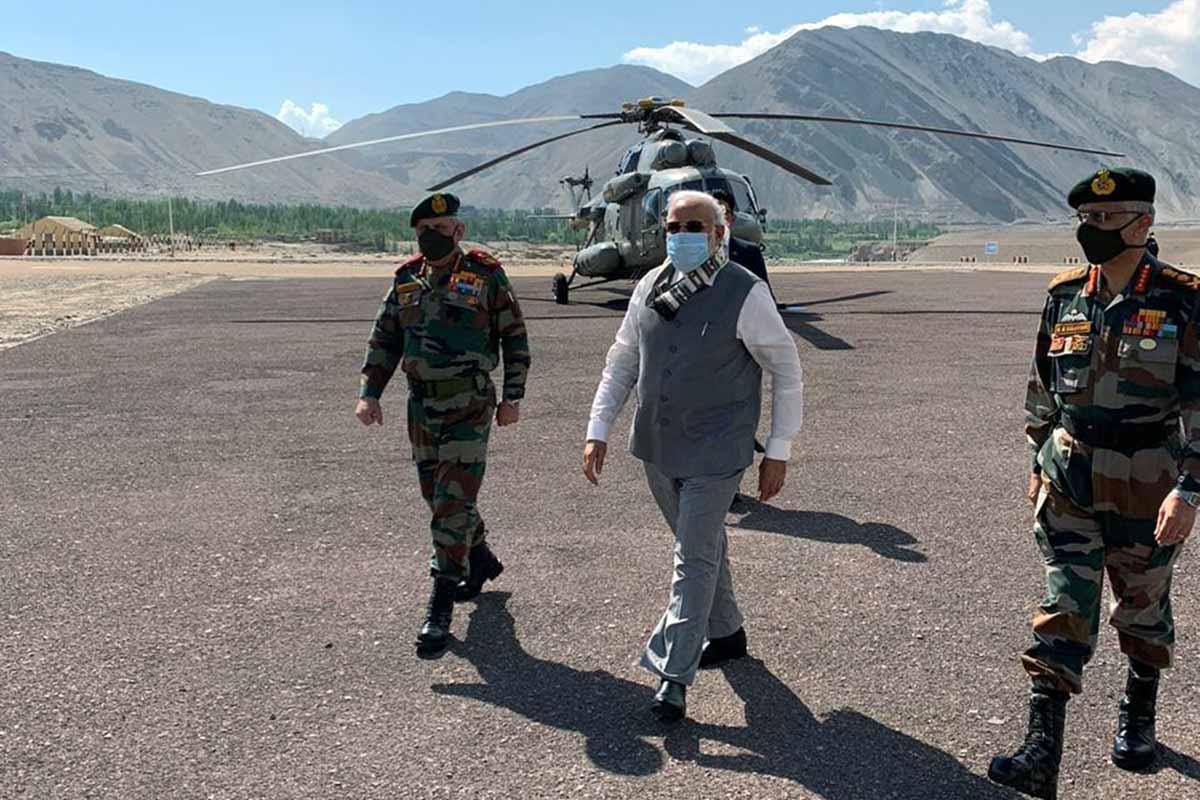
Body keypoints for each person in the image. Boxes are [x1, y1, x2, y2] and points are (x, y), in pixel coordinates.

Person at [989, 167, 1200, 799]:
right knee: (1063, 608)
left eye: (1109, 220)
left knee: (1142, 608)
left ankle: (1138, 715)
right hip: (1071, 478)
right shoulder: (1064, 295)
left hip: (1148, 485)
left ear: (1145, 223)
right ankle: (1040, 752)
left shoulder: (1182, 298)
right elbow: (1042, 387)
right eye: (1088, 220)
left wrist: (1189, 490)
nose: (1095, 230)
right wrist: (1037, 457)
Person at [582, 190, 804, 721]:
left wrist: (778, 450)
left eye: (694, 225)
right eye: (673, 226)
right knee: (699, 545)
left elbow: (787, 370)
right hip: (657, 446)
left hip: (717, 449)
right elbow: (624, 359)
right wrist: (598, 428)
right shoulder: (649, 286)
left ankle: (672, 674)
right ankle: (726, 633)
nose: (681, 235)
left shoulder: (744, 292)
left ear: (720, 231)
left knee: (692, 558)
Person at [354, 192, 531, 656]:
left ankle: (440, 603)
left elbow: (514, 337)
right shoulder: (406, 279)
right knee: (437, 495)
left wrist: (513, 396)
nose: (432, 237)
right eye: (424, 232)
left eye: (441, 229)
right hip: (422, 407)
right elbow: (385, 338)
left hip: (469, 404)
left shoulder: (485, 275)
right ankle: (481, 557)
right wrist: (369, 392)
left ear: (459, 231)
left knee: (451, 503)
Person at [711, 189, 770, 286]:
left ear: (732, 218)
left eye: (724, 213)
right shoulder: (693, 253)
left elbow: (764, 290)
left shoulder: (750, 253)